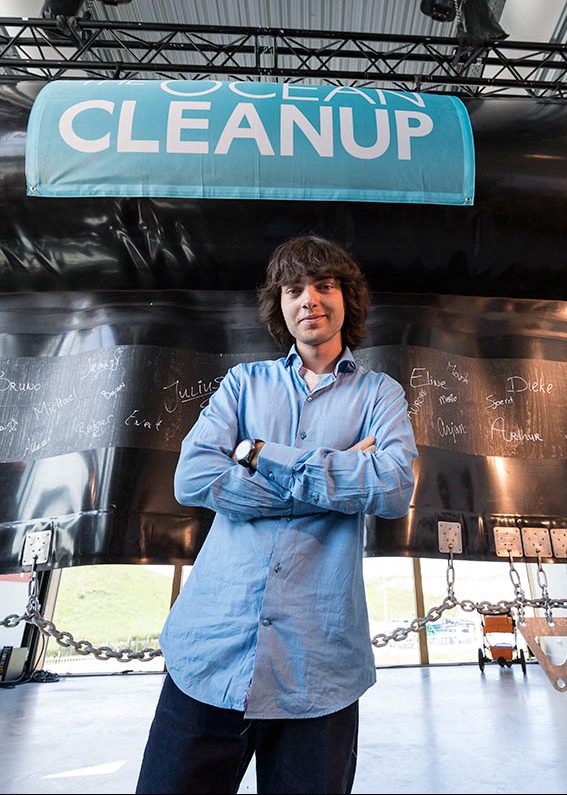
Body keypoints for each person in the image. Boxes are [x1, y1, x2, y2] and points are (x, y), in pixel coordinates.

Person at [136, 234, 418, 795]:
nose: (309, 299)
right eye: (294, 289)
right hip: (211, 650)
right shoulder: (244, 384)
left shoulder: (380, 394)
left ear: (346, 299)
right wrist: (332, 474)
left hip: (319, 664)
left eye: (324, 285)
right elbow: (193, 477)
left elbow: (392, 487)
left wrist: (261, 455)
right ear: (280, 306)